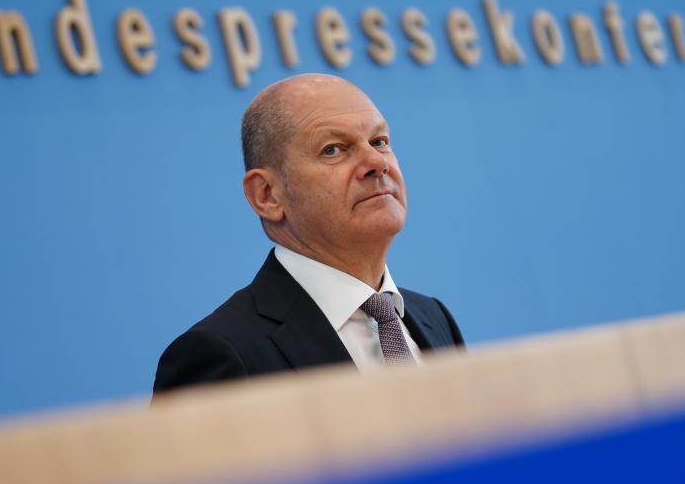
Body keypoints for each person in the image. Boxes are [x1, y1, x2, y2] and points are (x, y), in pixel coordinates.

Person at [153, 73, 464, 394]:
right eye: (333, 149)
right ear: (267, 194)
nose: (376, 162)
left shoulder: (434, 318)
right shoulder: (222, 354)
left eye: (379, 141)